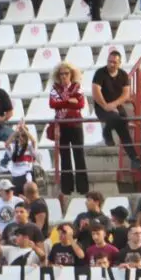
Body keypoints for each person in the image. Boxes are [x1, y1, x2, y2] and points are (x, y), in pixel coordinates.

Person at [92, 50, 141, 169]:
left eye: (114, 62)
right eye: (109, 61)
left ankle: (134, 159)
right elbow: (96, 92)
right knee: (117, 118)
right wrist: (105, 106)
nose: (111, 64)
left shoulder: (123, 75)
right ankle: (107, 133)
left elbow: (126, 94)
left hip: (116, 106)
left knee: (123, 128)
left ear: (119, 63)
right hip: (101, 106)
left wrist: (113, 105)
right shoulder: (100, 73)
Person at [49, 62, 88, 196]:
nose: (64, 76)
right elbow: (52, 104)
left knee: (79, 155)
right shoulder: (54, 88)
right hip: (62, 126)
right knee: (64, 157)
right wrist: (69, 102)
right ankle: (67, 188)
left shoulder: (77, 87)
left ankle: (83, 188)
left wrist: (63, 103)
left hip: (76, 125)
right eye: (61, 74)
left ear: (71, 74)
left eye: (66, 73)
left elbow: (81, 104)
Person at [0, 122, 39, 194]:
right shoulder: (14, 147)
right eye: (19, 136)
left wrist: (23, 129)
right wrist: (16, 132)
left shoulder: (29, 146)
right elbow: (6, 144)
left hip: (27, 175)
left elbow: (33, 141)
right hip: (16, 176)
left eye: (23, 136)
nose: (21, 138)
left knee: (28, 195)